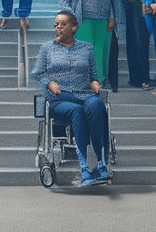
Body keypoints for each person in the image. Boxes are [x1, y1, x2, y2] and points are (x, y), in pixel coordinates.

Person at [32, 11, 111, 186]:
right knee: (77, 111)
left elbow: (93, 75)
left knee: (97, 104)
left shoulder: (87, 48)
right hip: (60, 99)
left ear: (73, 27)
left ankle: (100, 163)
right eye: (55, 25)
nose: (58, 27)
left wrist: (95, 83)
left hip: (84, 94)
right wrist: (48, 82)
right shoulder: (47, 48)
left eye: (62, 24)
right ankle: (84, 168)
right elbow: (37, 73)